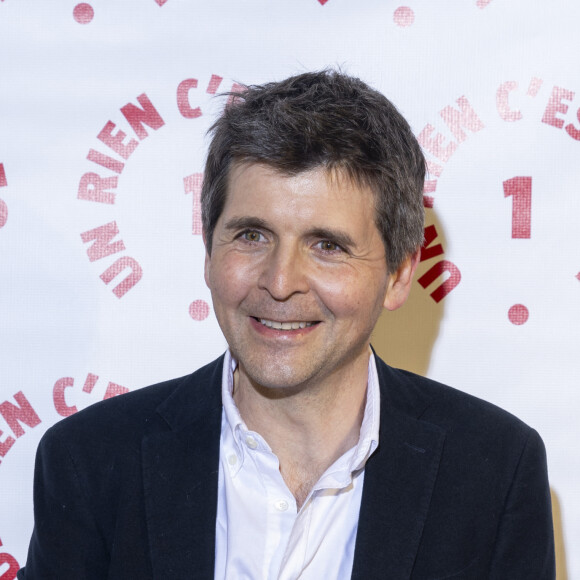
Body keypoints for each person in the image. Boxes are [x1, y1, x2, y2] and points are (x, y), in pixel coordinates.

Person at [18, 70, 555, 579]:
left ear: (398, 275)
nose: (280, 281)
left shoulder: (493, 473)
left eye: (327, 246)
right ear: (208, 249)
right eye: (252, 235)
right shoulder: (91, 462)